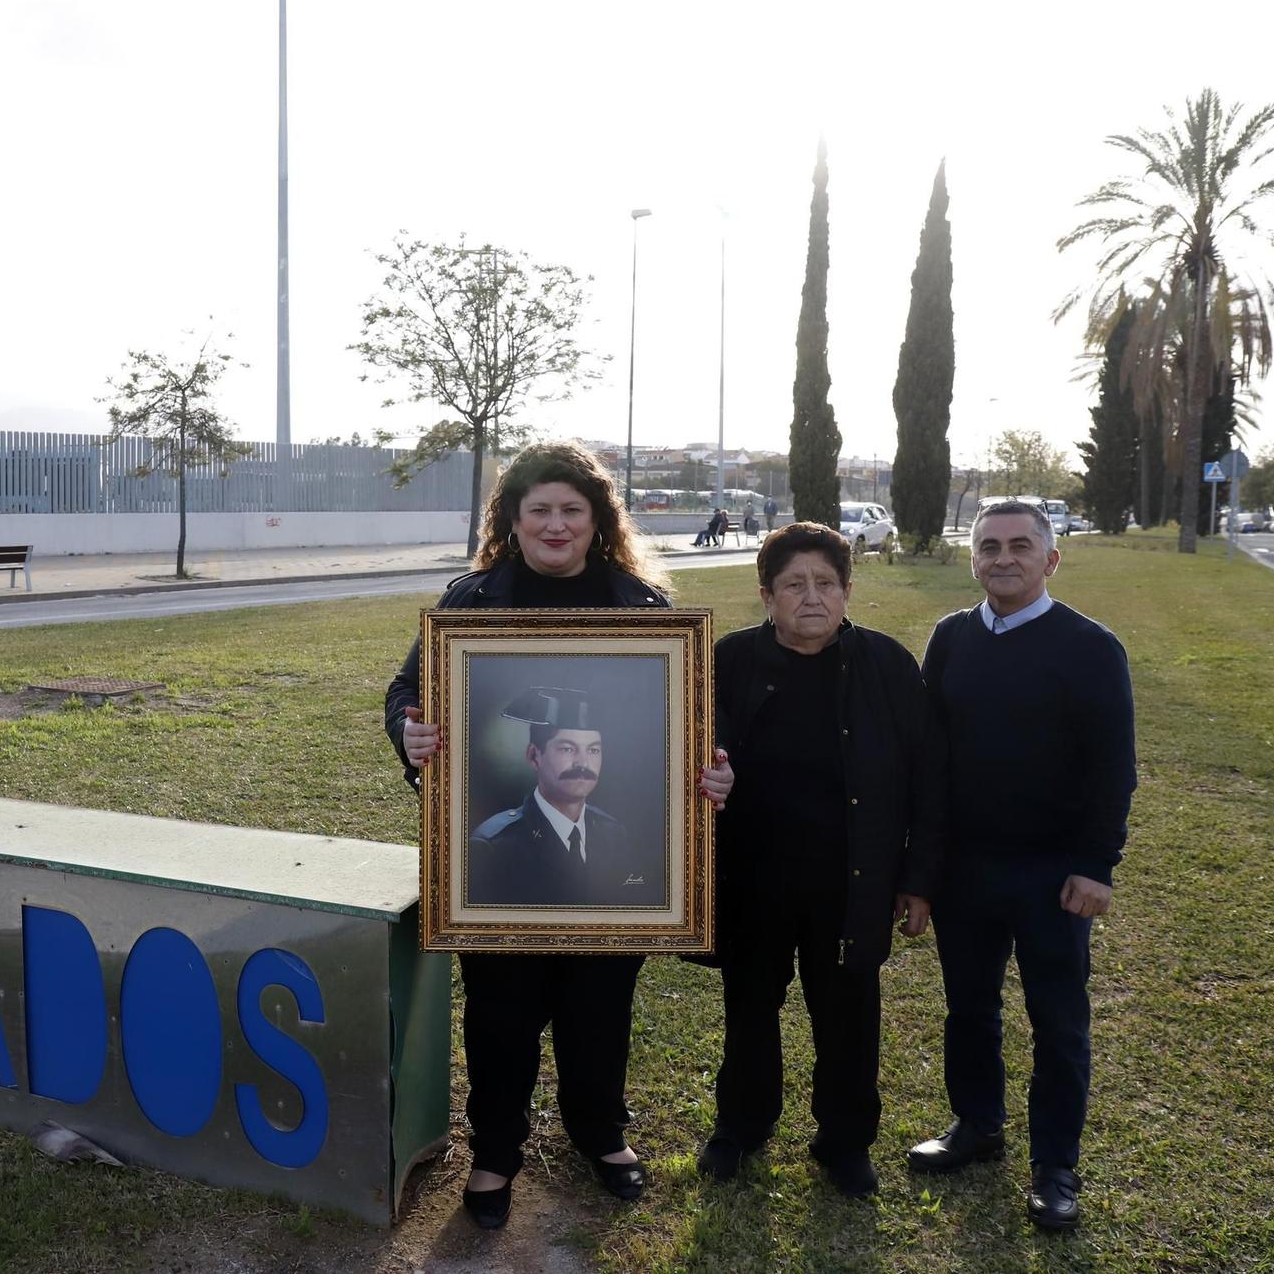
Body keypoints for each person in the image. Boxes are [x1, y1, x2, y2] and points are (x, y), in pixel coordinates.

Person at [385, 441, 695, 1230]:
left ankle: (602, 1136)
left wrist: (707, 772)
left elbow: (686, 729)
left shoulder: (644, 608)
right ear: (513, 521)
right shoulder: (470, 600)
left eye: (572, 510)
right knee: (500, 1015)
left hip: (614, 868)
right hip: (495, 875)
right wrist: (410, 732)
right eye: (540, 510)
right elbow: (407, 690)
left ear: (597, 521)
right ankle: (495, 1153)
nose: (556, 524)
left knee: (600, 1010)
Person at [691, 522, 943, 1197]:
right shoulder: (727, 662)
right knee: (749, 1007)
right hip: (752, 875)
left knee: (849, 1014)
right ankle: (739, 1126)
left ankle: (845, 1141)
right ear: (766, 592)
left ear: (847, 590)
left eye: (825, 583)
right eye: (794, 584)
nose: (812, 597)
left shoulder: (888, 666)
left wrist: (918, 881)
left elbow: (927, 780)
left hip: (851, 879)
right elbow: (687, 754)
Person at [905, 500, 1135, 1232]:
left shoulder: (1092, 647)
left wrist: (1096, 864)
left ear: (1050, 559)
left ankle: (1055, 1165)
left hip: (1054, 875)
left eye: (1020, 545)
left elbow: (1113, 769)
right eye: (989, 546)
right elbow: (929, 765)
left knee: (1057, 1021)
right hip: (967, 870)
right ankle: (978, 1123)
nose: (1003, 557)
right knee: (969, 1009)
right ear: (972, 556)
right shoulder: (949, 638)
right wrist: (923, 871)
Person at [469, 688, 662, 909]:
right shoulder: (493, 846)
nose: (583, 763)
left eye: (593, 750)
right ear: (534, 756)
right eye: (567, 749)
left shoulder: (613, 834)